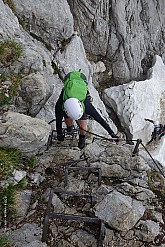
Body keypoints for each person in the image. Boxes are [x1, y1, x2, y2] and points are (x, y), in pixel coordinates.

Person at [55, 70, 119, 149]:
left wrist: (112, 133)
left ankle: (82, 138)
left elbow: (99, 119)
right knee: (67, 120)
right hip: (68, 98)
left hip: (80, 86)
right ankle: (69, 128)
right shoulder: (61, 104)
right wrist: (59, 133)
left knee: (83, 126)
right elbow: (58, 119)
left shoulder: (86, 105)